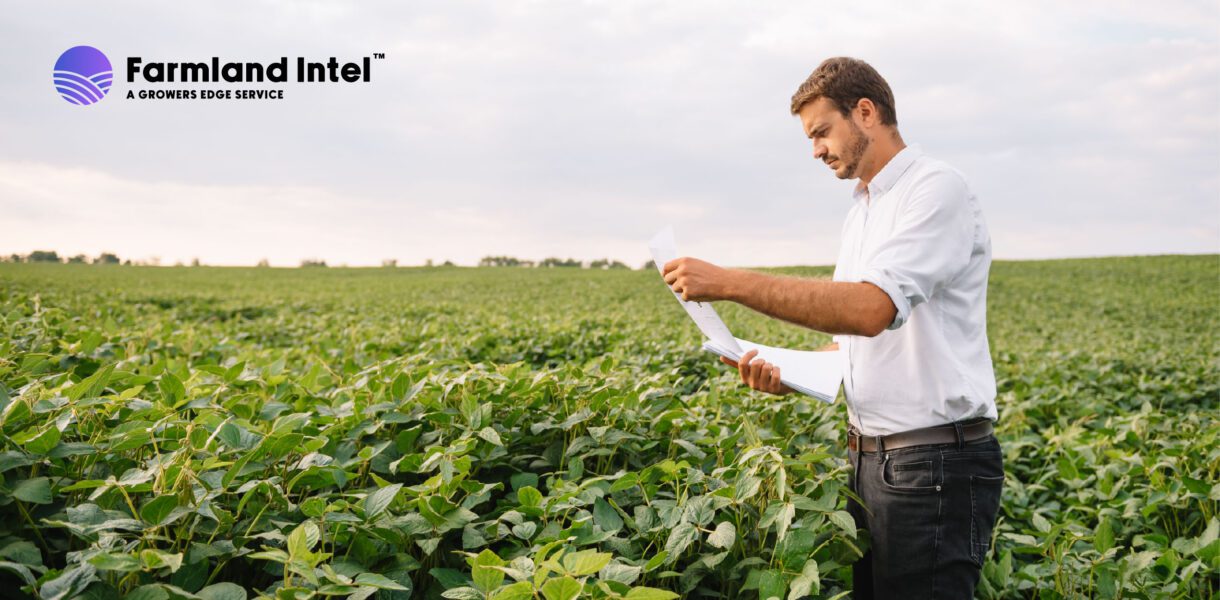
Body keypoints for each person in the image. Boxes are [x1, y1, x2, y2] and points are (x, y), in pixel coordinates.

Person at [661, 57, 1003, 599]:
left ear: (865, 112)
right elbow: (856, 341)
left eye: (822, 131)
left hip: (931, 464)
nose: (816, 150)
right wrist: (787, 370)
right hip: (873, 461)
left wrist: (729, 282)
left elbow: (869, 310)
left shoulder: (936, 189)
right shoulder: (862, 209)